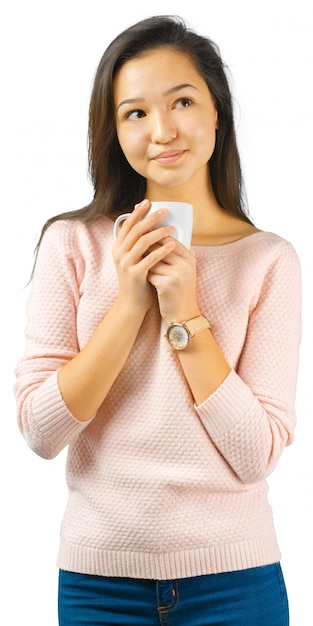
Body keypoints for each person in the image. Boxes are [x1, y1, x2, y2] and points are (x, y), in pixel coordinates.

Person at [15, 15, 301, 626]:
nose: (163, 130)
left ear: (217, 113)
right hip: (99, 584)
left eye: (182, 101)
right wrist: (129, 303)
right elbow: (39, 432)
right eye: (135, 113)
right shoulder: (73, 244)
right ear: (114, 132)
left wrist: (187, 314)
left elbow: (256, 455)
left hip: (236, 582)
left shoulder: (269, 260)